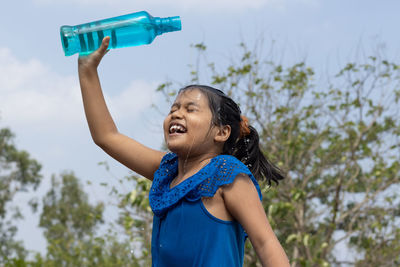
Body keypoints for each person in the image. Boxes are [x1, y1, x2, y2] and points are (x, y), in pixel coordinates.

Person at [78, 36, 290, 267]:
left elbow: (266, 242)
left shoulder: (227, 173)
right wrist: (88, 70)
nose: (176, 114)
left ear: (222, 132)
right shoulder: (168, 170)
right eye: (174, 109)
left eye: (191, 109)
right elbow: (107, 137)